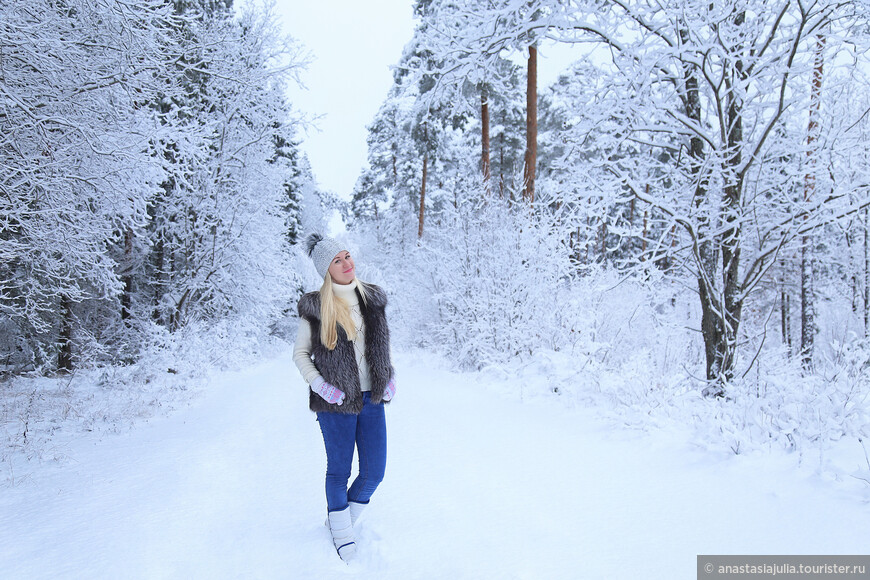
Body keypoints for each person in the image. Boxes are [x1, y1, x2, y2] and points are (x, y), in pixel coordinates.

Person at [293, 233, 396, 563]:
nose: (347, 263)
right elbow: (300, 355)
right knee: (339, 470)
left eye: (347, 256)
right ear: (327, 269)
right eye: (337, 260)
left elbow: (379, 349)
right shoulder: (314, 307)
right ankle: (342, 534)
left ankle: (340, 522)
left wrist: (389, 378)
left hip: (372, 400)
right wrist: (321, 386)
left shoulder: (372, 299)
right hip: (335, 402)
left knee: (374, 472)